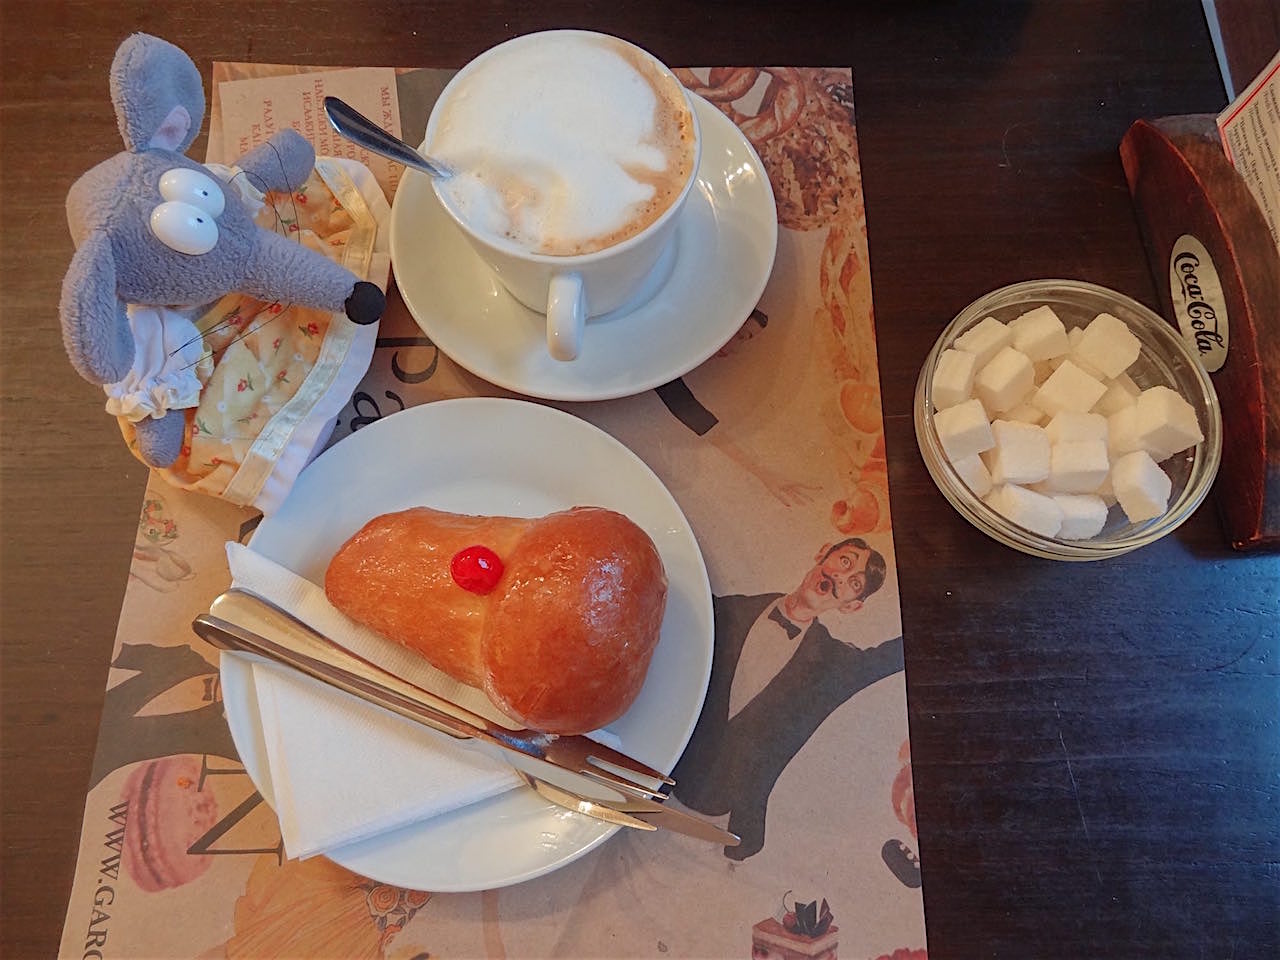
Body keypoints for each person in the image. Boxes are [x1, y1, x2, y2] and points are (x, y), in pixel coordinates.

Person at [672, 537, 902, 860]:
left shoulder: (829, 666)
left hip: (713, 825)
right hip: (651, 777)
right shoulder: (728, 608)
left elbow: (883, 660)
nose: (840, 578)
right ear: (824, 553)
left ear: (852, 606)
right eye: (845, 562)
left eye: (854, 583)